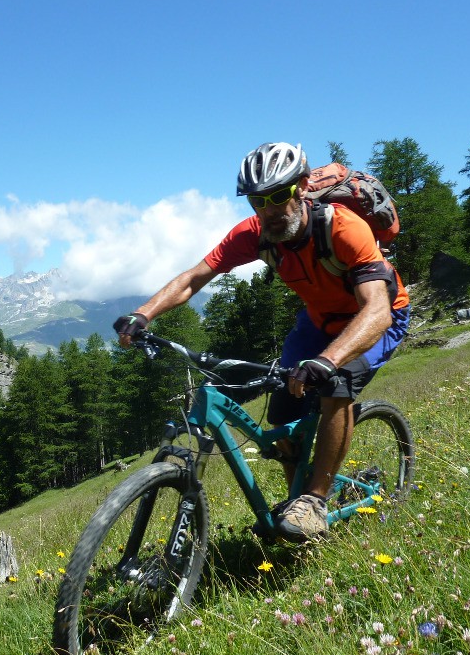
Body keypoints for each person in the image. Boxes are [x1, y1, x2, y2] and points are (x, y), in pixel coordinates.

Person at [114, 142, 410, 541]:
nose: (269, 209)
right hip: (318, 321)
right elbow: (194, 278)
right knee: (283, 413)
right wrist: (143, 313)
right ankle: (296, 498)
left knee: (336, 385)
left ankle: (315, 502)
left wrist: (329, 359)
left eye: (278, 196)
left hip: (376, 319)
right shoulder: (255, 234)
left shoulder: (343, 228)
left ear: (303, 187)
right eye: (258, 200)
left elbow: (376, 309)